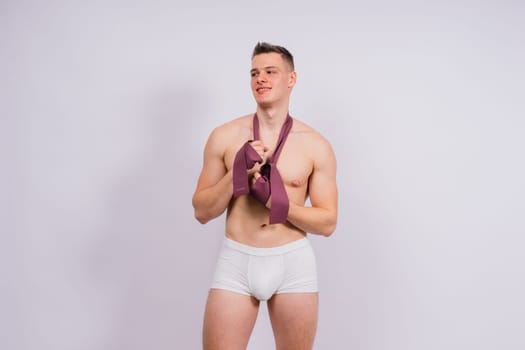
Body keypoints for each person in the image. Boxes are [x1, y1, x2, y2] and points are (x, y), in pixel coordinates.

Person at [192, 42, 338, 350]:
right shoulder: (225, 136)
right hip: (237, 259)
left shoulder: (315, 144)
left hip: (292, 263)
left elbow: (327, 223)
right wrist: (236, 176)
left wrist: (277, 203)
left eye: (271, 71)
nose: (261, 79)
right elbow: (202, 211)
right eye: (255, 73)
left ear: (291, 79)